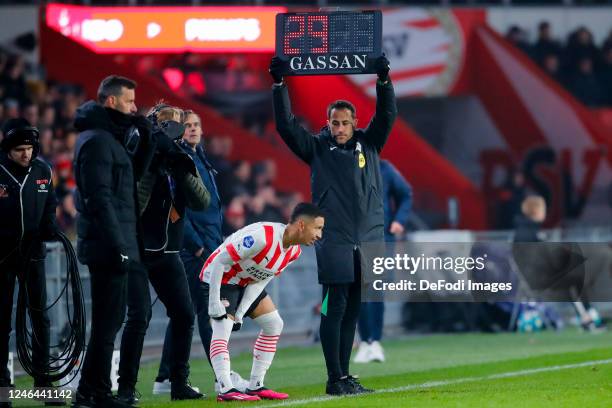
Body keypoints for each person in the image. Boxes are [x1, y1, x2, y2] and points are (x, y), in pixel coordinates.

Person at [269, 54, 397, 395]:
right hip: (335, 242)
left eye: (344, 122)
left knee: (353, 309)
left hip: (367, 239)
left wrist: (384, 81)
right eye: (333, 123)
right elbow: (285, 126)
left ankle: (344, 376)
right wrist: (279, 86)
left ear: (354, 122)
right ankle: (334, 378)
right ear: (327, 123)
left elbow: (387, 115)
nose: (338, 128)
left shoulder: (369, 144)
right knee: (334, 306)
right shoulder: (316, 148)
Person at [116, 104, 209, 404]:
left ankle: (179, 382)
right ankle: (127, 388)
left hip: (168, 251)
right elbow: (134, 202)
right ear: (153, 123)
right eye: (166, 122)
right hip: (138, 249)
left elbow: (201, 202)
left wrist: (182, 173)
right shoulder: (138, 151)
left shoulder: (181, 158)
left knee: (184, 313)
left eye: (177, 123)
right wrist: (153, 160)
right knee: (138, 316)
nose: (173, 128)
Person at [72, 75, 154, 408]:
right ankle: (94, 393)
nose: (135, 108)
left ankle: (92, 391)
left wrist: (146, 137)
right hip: (109, 246)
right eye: (130, 102)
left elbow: (130, 180)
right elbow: (100, 198)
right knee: (107, 324)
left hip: (115, 243)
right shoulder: (96, 141)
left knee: (110, 322)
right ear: (111, 102)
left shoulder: (107, 137)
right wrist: (120, 245)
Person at [153, 110, 249, 394]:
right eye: (187, 125)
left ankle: (164, 378)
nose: (193, 129)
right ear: (178, 130)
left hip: (206, 245)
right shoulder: (181, 159)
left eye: (196, 125)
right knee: (210, 312)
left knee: (185, 313)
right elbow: (181, 208)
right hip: (196, 250)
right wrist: (196, 245)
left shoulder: (199, 156)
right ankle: (224, 377)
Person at [204, 203, 325, 401]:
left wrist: (241, 312)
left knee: (274, 324)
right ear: (302, 225)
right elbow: (220, 261)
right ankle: (226, 389)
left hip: (245, 282)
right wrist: (214, 301)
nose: (320, 235)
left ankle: (255, 386)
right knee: (222, 329)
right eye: (318, 228)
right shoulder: (263, 237)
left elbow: (262, 278)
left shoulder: (294, 252)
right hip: (220, 277)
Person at [0, 118, 64, 407]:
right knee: (1, 323)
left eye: (29, 148)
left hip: (33, 253)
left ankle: (43, 383)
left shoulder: (43, 170)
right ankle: (3, 388)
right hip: (2, 257)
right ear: (8, 149)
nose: (25, 154)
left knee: (41, 318)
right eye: (19, 150)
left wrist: (50, 226)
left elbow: (50, 203)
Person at [354, 159, 412, 364]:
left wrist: (399, 220)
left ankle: (375, 341)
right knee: (359, 289)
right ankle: (365, 341)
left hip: (381, 237)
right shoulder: (348, 165)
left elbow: (406, 194)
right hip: (355, 237)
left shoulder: (385, 168)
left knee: (376, 289)